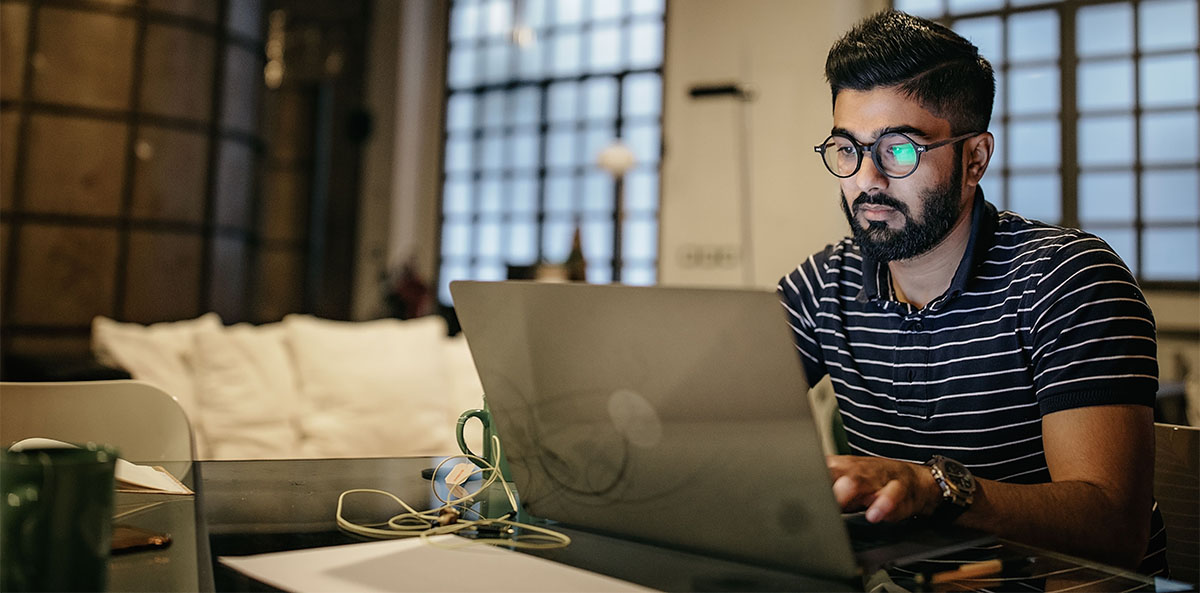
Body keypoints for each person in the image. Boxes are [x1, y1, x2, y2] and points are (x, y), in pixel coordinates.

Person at [778, 10, 1166, 574]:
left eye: (899, 150)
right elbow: (705, 418)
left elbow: (1114, 526)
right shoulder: (824, 285)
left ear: (975, 158)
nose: (867, 180)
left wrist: (933, 488)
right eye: (847, 149)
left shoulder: (1069, 281)